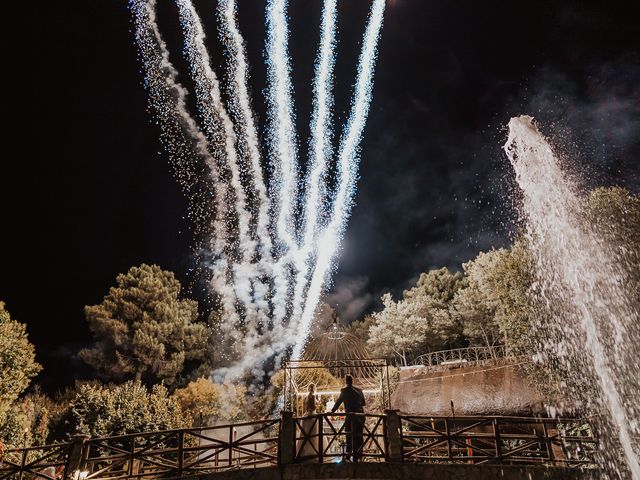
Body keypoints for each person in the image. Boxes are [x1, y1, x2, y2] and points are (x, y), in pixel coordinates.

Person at [331, 375, 366, 462]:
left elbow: (339, 401)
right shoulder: (360, 390)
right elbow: (363, 403)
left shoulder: (344, 390)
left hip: (351, 415)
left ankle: (348, 455)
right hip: (360, 415)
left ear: (346, 381)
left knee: (349, 434)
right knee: (359, 435)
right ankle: (359, 454)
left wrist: (332, 411)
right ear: (352, 381)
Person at [298, 383, 319, 461]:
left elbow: (307, 407)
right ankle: (313, 452)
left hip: (306, 415)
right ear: (314, 389)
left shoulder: (306, 397)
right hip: (312, 416)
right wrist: (318, 403)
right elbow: (313, 407)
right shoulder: (313, 396)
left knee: (305, 434)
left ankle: (303, 452)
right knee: (313, 434)